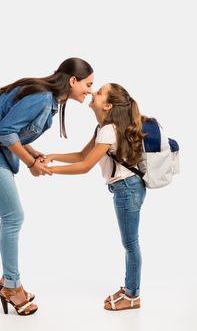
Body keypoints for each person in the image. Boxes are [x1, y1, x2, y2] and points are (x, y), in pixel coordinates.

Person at [0, 57, 94, 316]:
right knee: (13, 217)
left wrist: (33, 152)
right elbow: (5, 133)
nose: (90, 90)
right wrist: (31, 163)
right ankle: (12, 287)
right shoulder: (42, 98)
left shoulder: (47, 98)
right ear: (73, 81)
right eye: (88, 84)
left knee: (10, 217)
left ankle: (9, 281)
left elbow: (14, 131)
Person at [44, 83, 146, 311]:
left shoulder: (109, 131)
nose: (91, 92)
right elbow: (82, 154)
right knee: (130, 243)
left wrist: (51, 170)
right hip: (126, 188)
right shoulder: (103, 127)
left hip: (127, 189)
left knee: (130, 243)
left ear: (108, 105)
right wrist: (53, 156)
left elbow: (84, 166)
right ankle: (131, 288)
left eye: (98, 92)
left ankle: (132, 295)